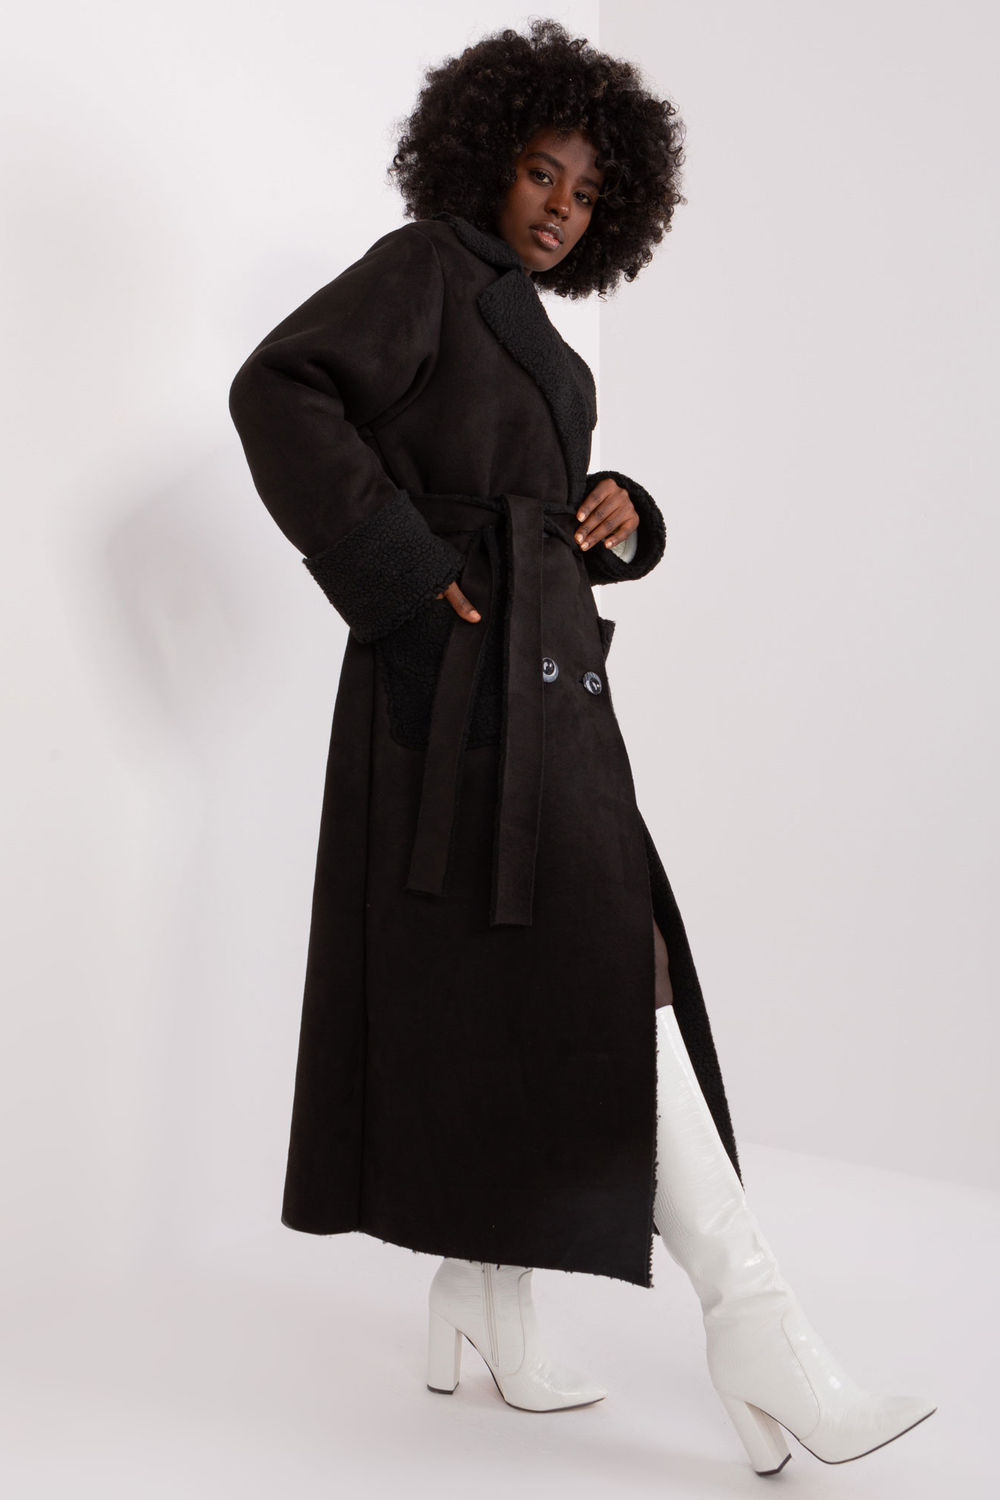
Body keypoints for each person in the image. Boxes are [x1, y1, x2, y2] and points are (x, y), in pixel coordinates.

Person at [228, 17, 936, 1473]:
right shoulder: (425, 267)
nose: (559, 206)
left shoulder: (534, 331)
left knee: (549, 973)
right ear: (484, 159)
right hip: (458, 695)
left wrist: (616, 510)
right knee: (606, 972)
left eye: (587, 193)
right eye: (540, 173)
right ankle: (759, 1326)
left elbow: (521, 500)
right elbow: (277, 389)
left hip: (539, 688)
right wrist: (404, 579)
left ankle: (484, 1300)